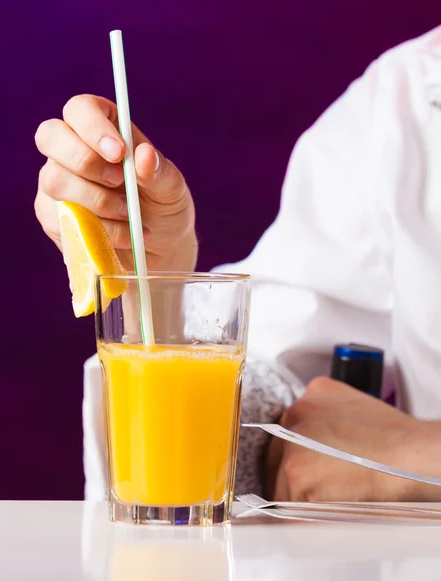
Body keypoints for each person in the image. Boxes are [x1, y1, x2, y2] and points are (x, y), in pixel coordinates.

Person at [35, 25, 441, 503]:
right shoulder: (403, 98)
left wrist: (418, 458)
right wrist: (159, 297)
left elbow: (366, 460)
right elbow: (281, 417)